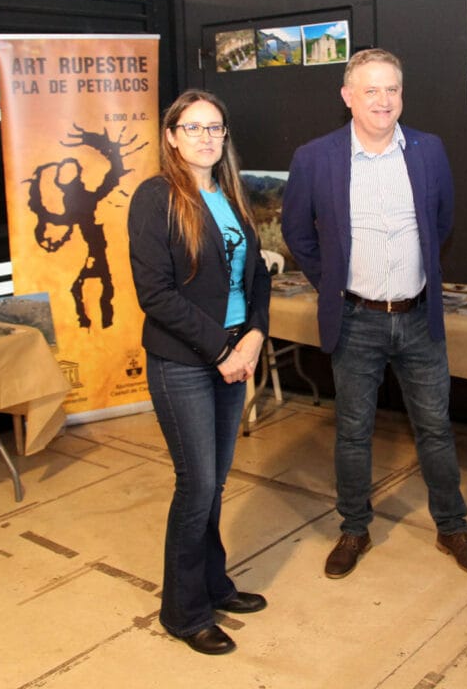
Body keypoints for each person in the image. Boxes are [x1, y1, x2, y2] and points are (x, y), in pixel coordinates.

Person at [281, 48, 467, 580]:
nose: (383, 100)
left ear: (402, 95)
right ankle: (353, 529)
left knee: (436, 430)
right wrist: (331, 283)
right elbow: (297, 233)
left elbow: (440, 224)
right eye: (370, 90)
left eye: (391, 89)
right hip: (356, 320)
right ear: (348, 97)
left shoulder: (428, 150)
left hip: (419, 317)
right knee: (353, 432)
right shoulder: (315, 157)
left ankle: (453, 528)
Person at [127, 89, 272, 656]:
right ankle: (183, 612)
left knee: (214, 483)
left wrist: (255, 333)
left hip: (235, 354)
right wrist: (224, 349)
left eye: (215, 127)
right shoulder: (156, 197)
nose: (207, 137)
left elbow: (257, 273)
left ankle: (214, 583)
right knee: (197, 486)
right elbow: (156, 295)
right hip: (186, 361)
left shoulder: (230, 195)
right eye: (193, 128)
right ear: (171, 136)